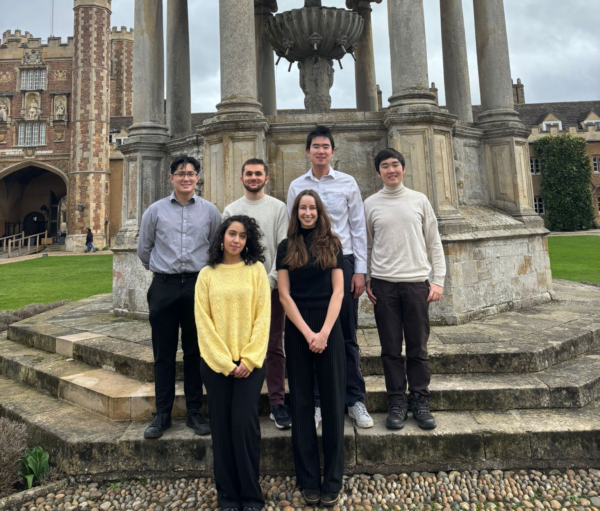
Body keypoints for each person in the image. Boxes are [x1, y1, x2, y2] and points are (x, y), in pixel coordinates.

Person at [286, 125, 372, 429]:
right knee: (311, 333)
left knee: (346, 334)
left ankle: (354, 399)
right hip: (308, 267)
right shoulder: (297, 186)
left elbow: (358, 228)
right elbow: (292, 227)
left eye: (326, 146)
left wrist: (360, 270)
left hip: (343, 262)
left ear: (333, 152)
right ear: (308, 151)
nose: (321, 151)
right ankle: (318, 402)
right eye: (316, 146)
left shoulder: (347, 183)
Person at [138, 155, 220, 439]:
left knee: (196, 352)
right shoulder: (155, 210)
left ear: (198, 178)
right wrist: (164, 273)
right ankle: (162, 414)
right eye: (181, 173)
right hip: (164, 285)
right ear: (171, 178)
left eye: (191, 173)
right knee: (164, 353)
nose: (186, 178)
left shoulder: (210, 211)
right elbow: (144, 249)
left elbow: (215, 247)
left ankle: (195, 412)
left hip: (197, 285)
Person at [364, 148, 445, 431]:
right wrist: (367, 279)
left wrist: (438, 280)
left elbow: (434, 242)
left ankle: (420, 400)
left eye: (395, 165)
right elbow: (369, 246)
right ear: (378, 173)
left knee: (418, 348)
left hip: (416, 285)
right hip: (384, 286)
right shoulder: (371, 203)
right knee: (389, 349)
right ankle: (396, 402)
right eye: (384, 166)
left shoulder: (419, 200)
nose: (390, 170)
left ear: (403, 168)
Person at [195, 215, 270, 511]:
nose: (236, 240)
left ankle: (251, 495)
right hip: (216, 364)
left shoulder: (256, 271)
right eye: (231, 234)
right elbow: (204, 322)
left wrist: (249, 359)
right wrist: (225, 362)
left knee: (243, 424)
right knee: (221, 427)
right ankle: (227, 496)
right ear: (222, 237)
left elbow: (263, 318)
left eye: (242, 236)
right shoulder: (207, 275)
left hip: (250, 363)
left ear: (247, 240)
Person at [277, 190, 346, 508]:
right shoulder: (285, 247)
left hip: (328, 326)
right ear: (297, 212)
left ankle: (333, 479)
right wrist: (307, 334)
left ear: (319, 212)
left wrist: (325, 333)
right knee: (302, 404)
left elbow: (338, 292)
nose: (307, 213)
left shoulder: (332, 243)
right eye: (302, 208)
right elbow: (284, 296)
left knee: (332, 402)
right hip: (298, 328)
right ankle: (308, 479)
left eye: (312, 208)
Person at [222, 158, 291, 430]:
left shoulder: (278, 208)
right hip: (237, 291)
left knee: (273, 345)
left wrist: (270, 282)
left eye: (258, 173)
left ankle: (277, 403)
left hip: (269, 289)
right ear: (241, 179)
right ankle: (241, 402)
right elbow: (227, 247)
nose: (253, 177)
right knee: (237, 345)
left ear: (266, 178)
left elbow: (282, 247)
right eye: (248, 173)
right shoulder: (231, 209)